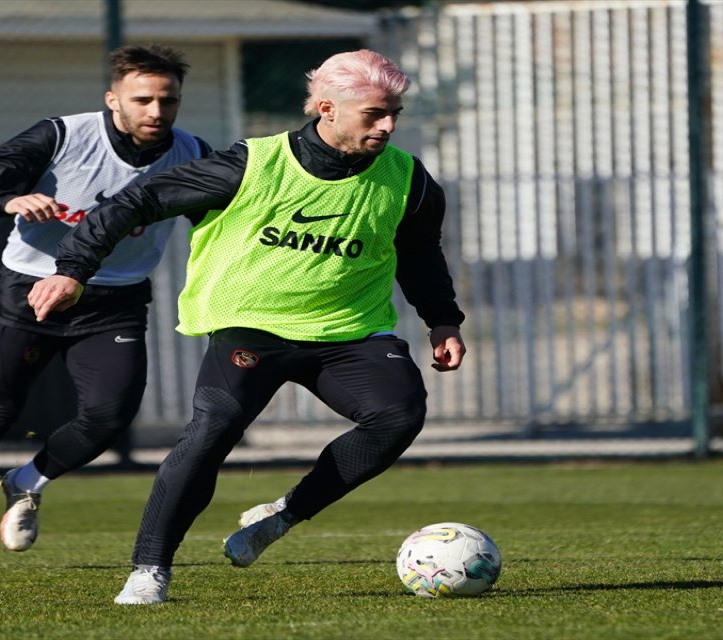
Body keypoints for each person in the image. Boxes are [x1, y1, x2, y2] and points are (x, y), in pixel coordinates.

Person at [28, 49, 466, 604]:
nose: (389, 125)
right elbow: (139, 199)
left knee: (398, 416)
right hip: (250, 327)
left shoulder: (409, 179)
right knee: (212, 432)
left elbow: (421, 253)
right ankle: (149, 569)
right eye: (375, 113)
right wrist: (73, 271)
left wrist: (443, 321)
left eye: (395, 112)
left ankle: (283, 515)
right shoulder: (251, 164)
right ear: (327, 109)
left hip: (349, 331)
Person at [0, 44, 212, 574]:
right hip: (29, 292)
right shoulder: (63, 135)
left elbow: (228, 216)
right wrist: (10, 201)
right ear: (112, 99)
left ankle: (27, 481)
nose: (156, 113)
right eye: (143, 100)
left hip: (114, 300)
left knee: (110, 416)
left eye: (168, 101)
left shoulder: (192, 153)